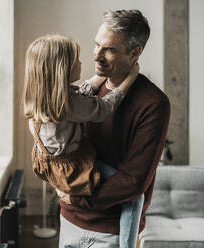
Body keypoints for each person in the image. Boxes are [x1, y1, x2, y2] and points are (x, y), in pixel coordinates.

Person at [57, 9, 170, 248]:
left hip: (110, 231)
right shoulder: (88, 92)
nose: (97, 56)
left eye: (109, 49)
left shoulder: (153, 103)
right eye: (96, 45)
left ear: (135, 53)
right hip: (69, 219)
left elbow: (133, 180)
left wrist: (77, 197)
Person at [23, 33, 141, 248]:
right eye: (75, 60)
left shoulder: (44, 98)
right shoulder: (69, 104)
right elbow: (103, 108)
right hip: (75, 168)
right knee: (135, 196)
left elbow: (81, 93)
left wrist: (102, 76)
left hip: (50, 165)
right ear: (62, 68)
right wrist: (130, 77)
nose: (81, 63)